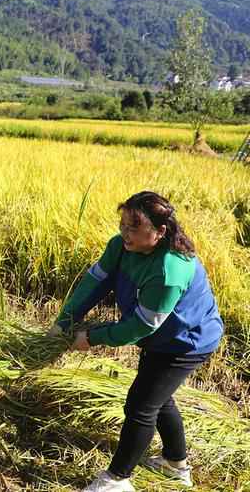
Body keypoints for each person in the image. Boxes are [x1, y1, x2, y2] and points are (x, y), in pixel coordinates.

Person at [49, 191, 223, 492]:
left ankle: (117, 479)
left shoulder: (170, 269)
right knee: (159, 398)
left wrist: (90, 337)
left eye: (133, 226)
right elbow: (96, 281)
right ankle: (175, 465)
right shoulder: (121, 246)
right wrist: (64, 321)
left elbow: (139, 327)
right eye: (123, 224)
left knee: (140, 406)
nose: (124, 233)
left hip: (187, 342)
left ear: (160, 231)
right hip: (159, 338)